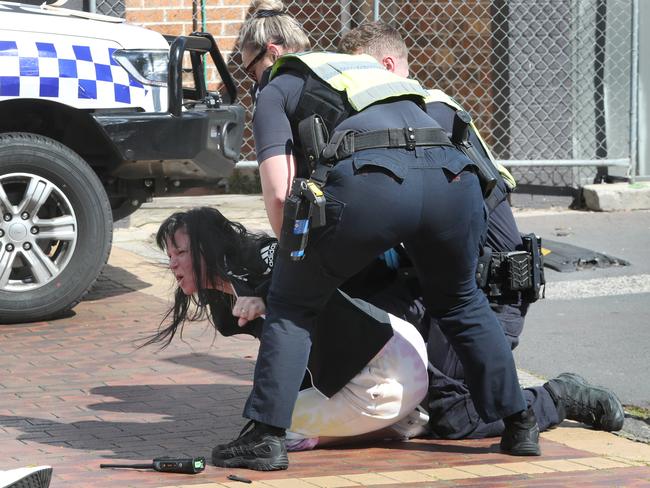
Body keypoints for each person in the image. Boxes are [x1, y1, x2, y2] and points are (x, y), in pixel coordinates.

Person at [215, 0, 543, 471]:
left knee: (292, 302)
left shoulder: (278, 86)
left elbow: (280, 196)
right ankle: (520, 423)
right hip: (453, 180)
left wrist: (295, 264)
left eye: (249, 70)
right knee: (459, 301)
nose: (252, 82)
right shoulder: (357, 74)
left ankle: (265, 437)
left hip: (377, 180)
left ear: (267, 54)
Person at [338, 21, 625, 439]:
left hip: (487, 296)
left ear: (385, 66)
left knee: (455, 416)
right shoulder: (407, 115)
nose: (349, 91)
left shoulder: (427, 120)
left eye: (356, 76)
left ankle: (559, 396)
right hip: (437, 284)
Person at [144, 207, 430, 461]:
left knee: (280, 429)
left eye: (181, 253)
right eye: (170, 255)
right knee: (265, 419)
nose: (173, 264)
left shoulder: (261, 254)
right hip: (377, 361)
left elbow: (297, 279)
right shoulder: (223, 299)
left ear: (208, 247)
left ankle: (400, 425)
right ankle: (395, 419)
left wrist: (267, 299)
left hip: (389, 359)